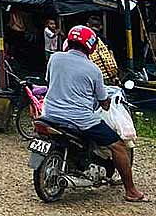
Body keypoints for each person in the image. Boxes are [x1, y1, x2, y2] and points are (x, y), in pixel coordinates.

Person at [43, 25, 145, 202]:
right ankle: (131, 191)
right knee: (118, 146)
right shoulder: (93, 70)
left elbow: (50, 82)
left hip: (50, 113)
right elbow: (104, 103)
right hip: (79, 119)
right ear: (90, 45)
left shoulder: (54, 58)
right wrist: (103, 101)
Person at [86, 15, 119, 84]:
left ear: (87, 25)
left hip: (88, 75)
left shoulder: (84, 40)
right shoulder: (105, 41)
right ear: (101, 27)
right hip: (104, 76)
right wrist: (114, 75)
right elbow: (109, 59)